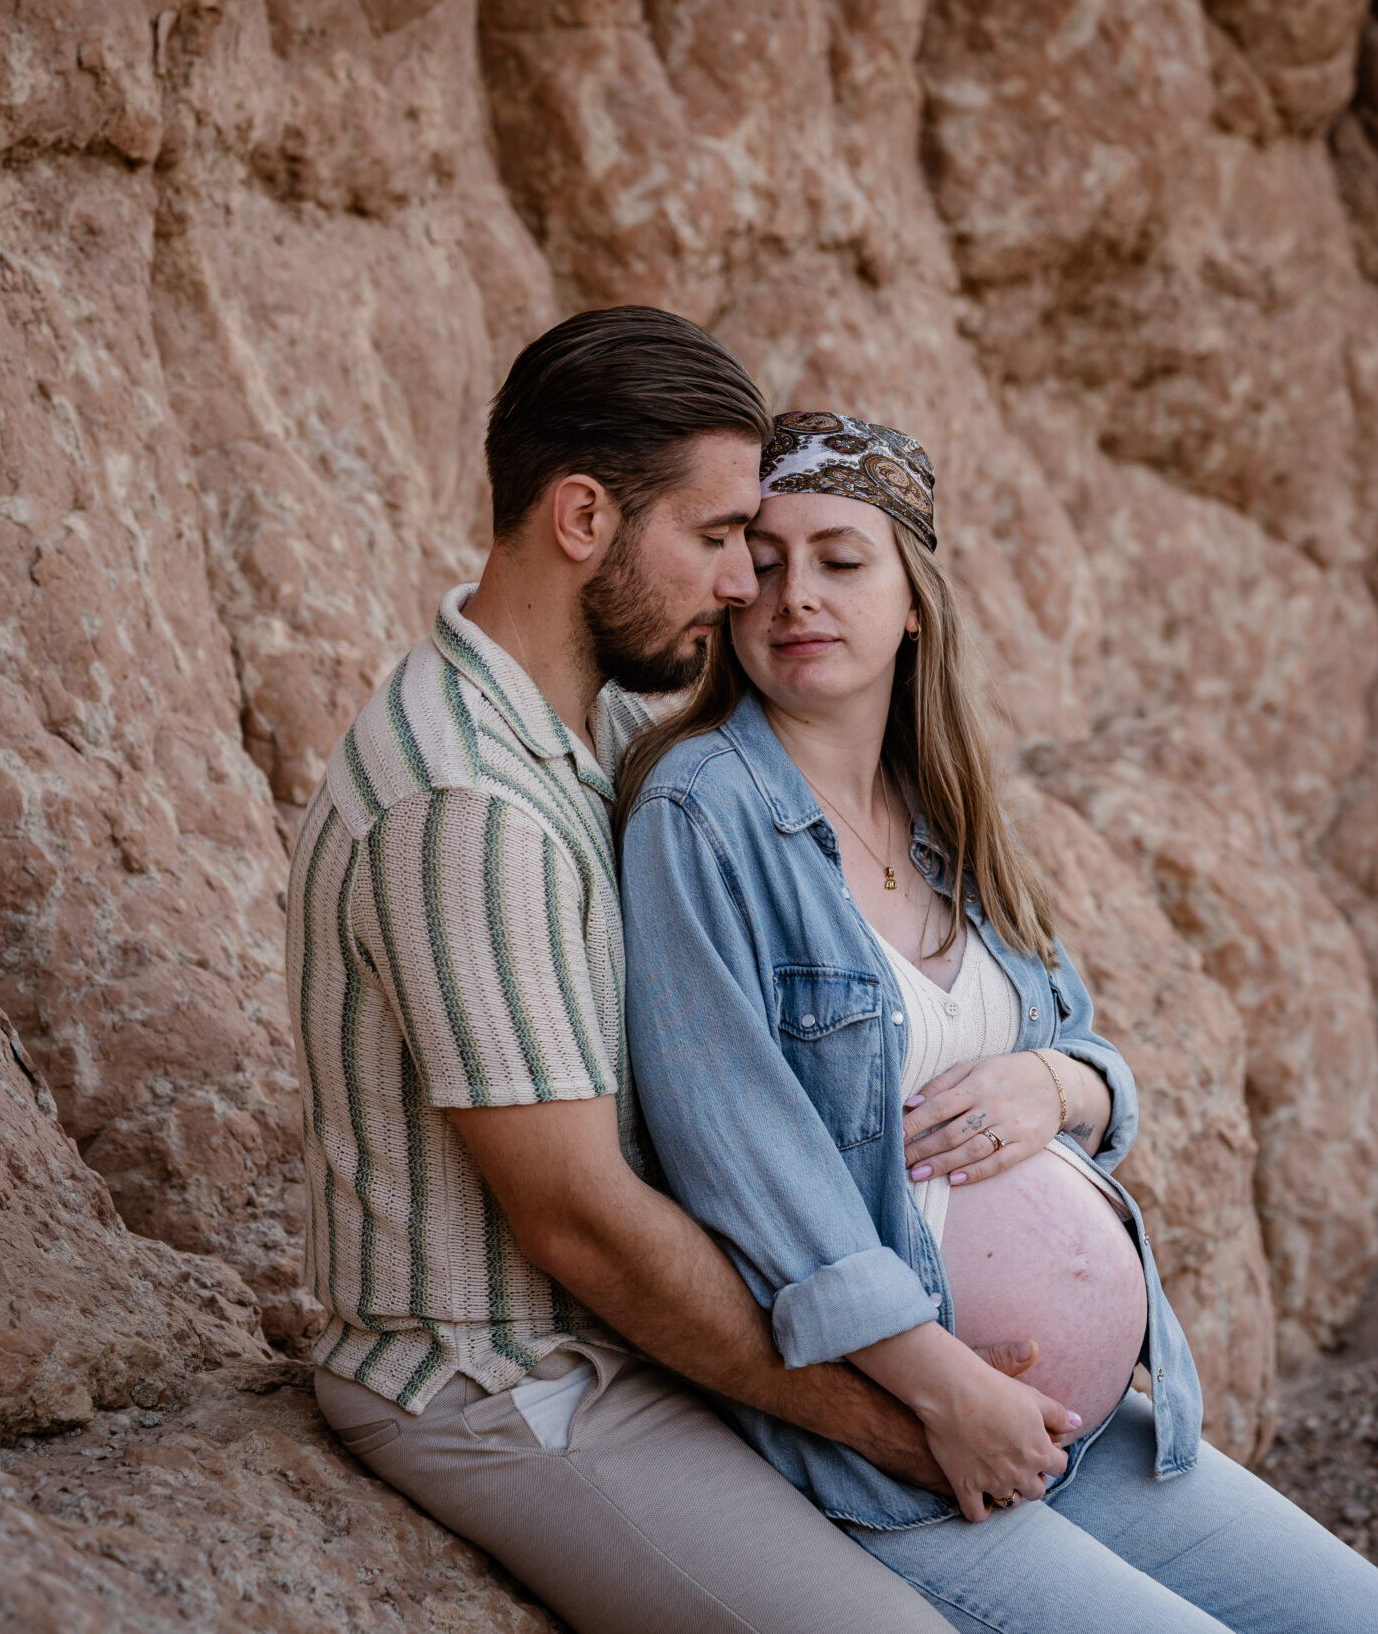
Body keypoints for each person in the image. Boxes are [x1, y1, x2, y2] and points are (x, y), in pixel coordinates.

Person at [617, 412, 1378, 1633]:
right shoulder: (701, 816)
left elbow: (1094, 1057)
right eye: (765, 557)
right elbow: (745, 1166)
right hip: (899, 1441)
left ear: (913, 599)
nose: (795, 595)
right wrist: (945, 1394)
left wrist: (1058, 1089)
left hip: (1095, 1425)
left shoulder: (948, 807)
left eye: (842, 560)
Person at [286, 312, 977, 1634]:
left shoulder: (590, 718)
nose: (744, 586)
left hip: (640, 1339)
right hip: (516, 1380)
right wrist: (889, 1414)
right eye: (719, 538)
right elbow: (577, 1219)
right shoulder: (463, 802)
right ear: (584, 516)